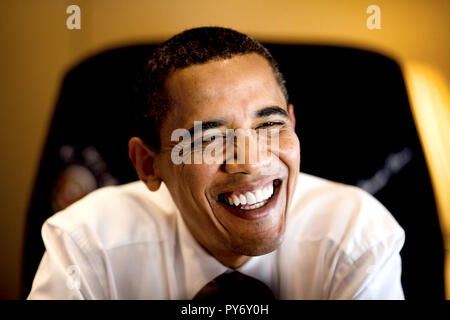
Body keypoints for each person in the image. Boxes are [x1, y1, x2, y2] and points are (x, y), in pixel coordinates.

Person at [27, 27, 405, 300]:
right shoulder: (88, 245)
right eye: (209, 138)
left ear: (292, 123)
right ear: (147, 165)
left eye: (270, 124)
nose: (253, 161)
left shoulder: (355, 236)